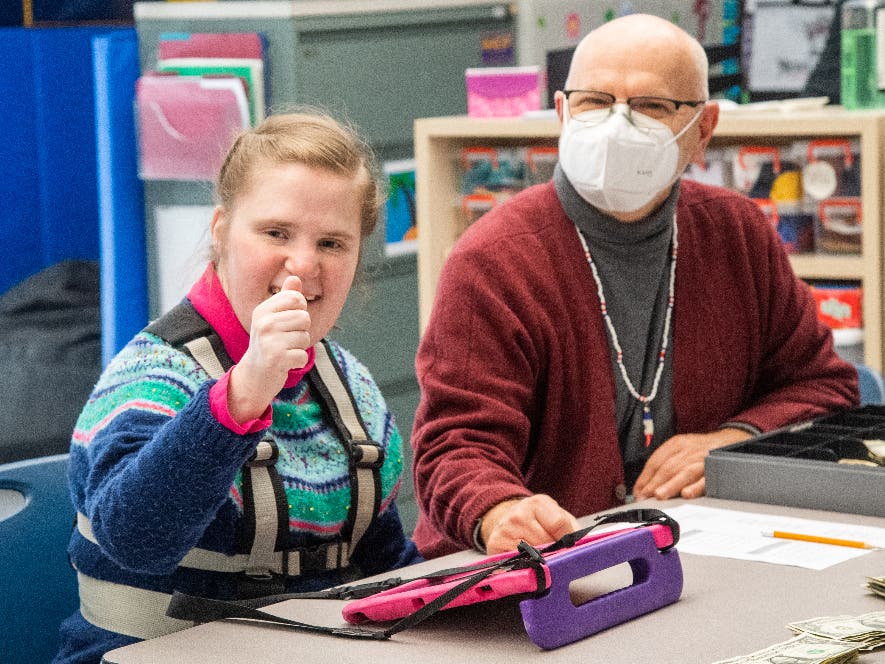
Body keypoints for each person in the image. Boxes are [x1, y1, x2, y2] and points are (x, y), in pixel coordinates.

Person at [410, 14, 859, 559]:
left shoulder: (736, 232)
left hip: (701, 547)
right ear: (560, 113)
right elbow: (454, 447)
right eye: (594, 101)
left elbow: (824, 386)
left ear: (704, 130)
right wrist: (499, 510)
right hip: (533, 565)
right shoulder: (495, 260)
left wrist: (732, 439)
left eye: (651, 106)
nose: (617, 124)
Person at [54, 111, 421, 663]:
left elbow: (382, 564)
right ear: (222, 229)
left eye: (332, 243)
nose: (303, 264)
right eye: (276, 233)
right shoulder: (150, 376)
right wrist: (239, 398)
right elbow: (134, 540)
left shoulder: (352, 388)